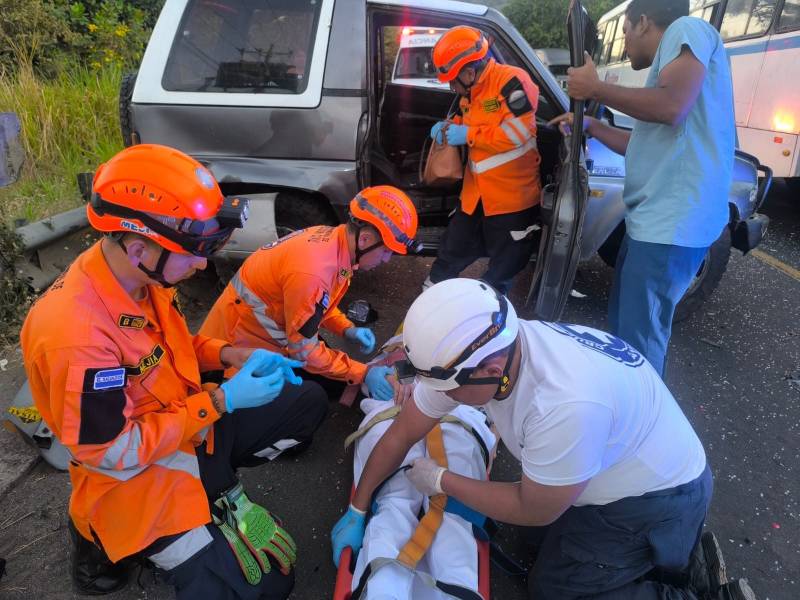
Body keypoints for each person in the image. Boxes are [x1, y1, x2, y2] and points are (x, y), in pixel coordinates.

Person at [21, 144, 328, 599]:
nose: (202, 264)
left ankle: (210, 488)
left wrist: (232, 356)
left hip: (186, 425)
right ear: (138, 248)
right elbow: (112, 452)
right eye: (193, 252)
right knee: (267, 588)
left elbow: (175, 348)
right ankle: (97, 536)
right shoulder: (77, 336)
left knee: (306, 402)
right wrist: (221, 401)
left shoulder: (143, 277)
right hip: (137, 476)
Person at [331, 278, 756, 600]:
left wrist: (443, 481)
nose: (445, 399)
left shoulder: (563, 403)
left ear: (491, 369)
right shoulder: (489, 350)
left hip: (655, 498)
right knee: (531, 543)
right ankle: (664, 557)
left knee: (555, 589)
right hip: (610, 465)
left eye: (451, 391)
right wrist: (357, 508)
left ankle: (689, 587)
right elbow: (403, 432)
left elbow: (531, 507)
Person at [550, 0, 736, 376]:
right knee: (627, 334)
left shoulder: (687, 29)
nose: (625, 41)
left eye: (625, 31)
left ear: (644, 23)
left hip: (671, 224)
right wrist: (592, 127)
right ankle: (627, 403)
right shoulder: (665, 74)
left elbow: (671, 107)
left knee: (639, 346)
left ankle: (644, 411)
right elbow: (644, 142)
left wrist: (596, 88)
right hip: (655, 222)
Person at [200, 185, 420, 402]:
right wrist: (363, 373)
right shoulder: (313, 272)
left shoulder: (333, 242)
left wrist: (346, 329)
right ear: (365, 239)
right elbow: (304, 351)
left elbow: (318, 304)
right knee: (311, 400)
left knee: (335, 381)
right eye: (386, 251)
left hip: (261, 329)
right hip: (235, 352)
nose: (386, 260)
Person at [423, 25, 542, 295]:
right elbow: (471, 117)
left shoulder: (511, 82)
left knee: (502, 268)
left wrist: (468, 135)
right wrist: (448, 127)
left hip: (511, 198)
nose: (452, 87)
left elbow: (519, 132)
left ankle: (487, 310)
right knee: (451, 250)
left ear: (469, 71)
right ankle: (429, 295)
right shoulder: (473, 91)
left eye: (453, 80)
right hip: (475, 195)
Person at [341, 396, 496, 600]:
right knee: (446, 513)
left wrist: (357, 511)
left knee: (400, 504)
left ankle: (382, 591)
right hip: (414, 414)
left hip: (450, 418)